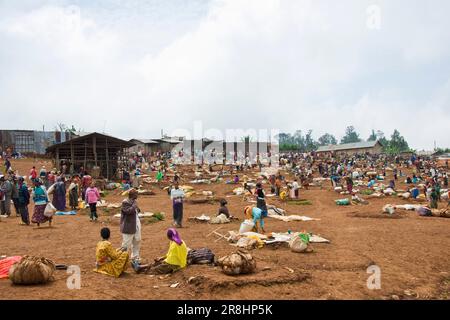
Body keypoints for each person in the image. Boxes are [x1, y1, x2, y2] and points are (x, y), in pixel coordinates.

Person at [120, 189, 141, 264]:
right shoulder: (125, 202)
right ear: (132, 195)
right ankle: (121, 259)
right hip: (128, 226)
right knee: (126, 245)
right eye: (136, 194)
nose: (137, 195)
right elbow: (128, 211)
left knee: (137, 241)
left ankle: (135, 258)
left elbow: (137, 211)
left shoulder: (133, 202)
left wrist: (136, 207)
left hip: (136, 224)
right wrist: (134, 205)